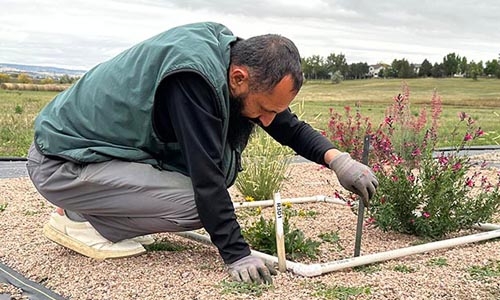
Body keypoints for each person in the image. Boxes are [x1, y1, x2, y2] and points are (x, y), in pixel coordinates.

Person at [26, 22, 378, 285]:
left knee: (214, 185)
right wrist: (237, 254)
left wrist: (338, 160)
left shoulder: (232, 61)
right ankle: (81, 220)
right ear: (239, 77)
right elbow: (206, 178)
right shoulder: (192, 80)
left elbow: (284, 124)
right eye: (264, 108)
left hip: (97, 156)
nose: (268, 120)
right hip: (63, 162)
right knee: (198, 204)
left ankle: (99, 207)